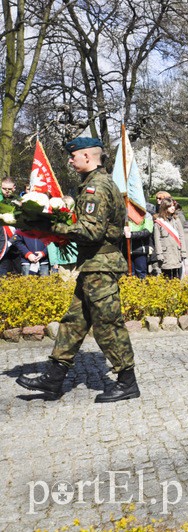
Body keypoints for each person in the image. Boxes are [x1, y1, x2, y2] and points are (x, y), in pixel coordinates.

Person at [16, 137, 139, 403]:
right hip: (93, 267)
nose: (70, 161)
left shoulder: (97, 186)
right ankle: (54, 378)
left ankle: (127, 381)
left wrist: (50, 227)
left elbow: (92, 232)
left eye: (73, 156)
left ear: (87, 156)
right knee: (73, 322)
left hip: (101, 268)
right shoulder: (92, 184)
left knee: (108, 324)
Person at [153, 198, 186, 279]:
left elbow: (181, 236)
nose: (173, 208)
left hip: (176, 253)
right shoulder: (159, 223)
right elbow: (157, 240)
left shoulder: (176, 220)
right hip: (166, 254)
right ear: (164, 208)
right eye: (170, 206)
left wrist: (183, 251)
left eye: (173, 206)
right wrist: (159, 254)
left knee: (177, 277)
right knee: (166, 278)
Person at [123, 212, 153, 279]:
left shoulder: (146, 215)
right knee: (129, 275)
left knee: (141, 274)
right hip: (126, 249)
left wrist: (131, 235)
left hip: (140, 250)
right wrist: (123, 232)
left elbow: (148, 231)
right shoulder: (123, 213)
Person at [0, 178, 20, 275]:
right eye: (4, 189)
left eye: (9, 189)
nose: (7, 191)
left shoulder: (20, 202)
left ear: (14, 188)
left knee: (19, 274)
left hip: (18, 243)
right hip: (3, 243)